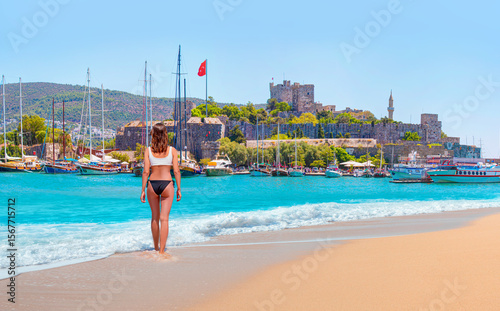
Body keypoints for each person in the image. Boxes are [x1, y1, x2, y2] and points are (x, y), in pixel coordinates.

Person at [140, 123, 181, 254]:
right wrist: (179, 188)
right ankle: (162, 252)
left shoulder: (148, 150)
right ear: (165, 135)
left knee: (155, 218)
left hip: (152, 184)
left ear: (153, 135)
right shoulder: (172, 151)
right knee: (164, 219)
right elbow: (176, 171)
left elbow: (146, 172)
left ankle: (155, 248)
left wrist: (142, 190)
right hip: (167, 185)